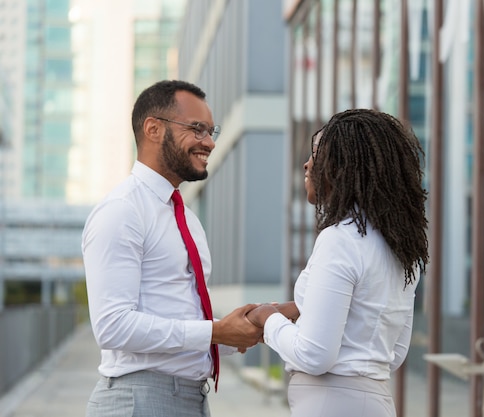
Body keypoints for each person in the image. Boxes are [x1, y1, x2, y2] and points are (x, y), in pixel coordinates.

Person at [82, 80, 263, 417]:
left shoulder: (187, 219)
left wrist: (236, 332)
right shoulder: (122, 211)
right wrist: (215, 330)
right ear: (153, 129)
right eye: (197, 129)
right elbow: (112, 327)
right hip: (141, 400)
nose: (209, 142)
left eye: (211, 131)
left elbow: (180, 316)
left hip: (189, 399)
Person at [247, 109, 429, 417]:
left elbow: (315, 355)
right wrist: (295, 309)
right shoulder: (400, 247)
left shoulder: (339, 240)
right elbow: (393, 353)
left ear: (343, 167)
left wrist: (267, 319)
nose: (307, 164)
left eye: (316, 154)